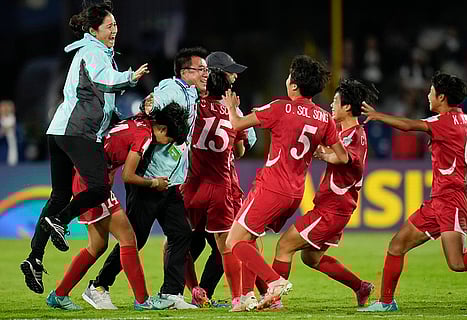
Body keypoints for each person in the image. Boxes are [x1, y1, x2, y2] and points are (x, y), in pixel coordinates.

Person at [20, 0, 149, 295]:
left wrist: (127, 115)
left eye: (116, 25)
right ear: (94, 30)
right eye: (109, 26)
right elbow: (104, 81)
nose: (115, 30)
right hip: (76, 132)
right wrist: (130, 77)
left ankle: (34, 258)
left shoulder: (94, 51)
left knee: (60, 195)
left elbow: (103, 104)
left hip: (60, 130)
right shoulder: (93, 52)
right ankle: (60, 220)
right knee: (99, 188)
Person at [85, 47, 208, 310]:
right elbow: (153, 104)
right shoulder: (172, 88)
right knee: (136, 239)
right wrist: (147, 104)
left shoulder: (191, 93)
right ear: (185, 72)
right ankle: (98, 286)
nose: (206, 74)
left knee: (180, 233)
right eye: (201, 69)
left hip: (170, 181)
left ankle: (171, 294)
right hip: (149, 178)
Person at [223, 55, 349, 311]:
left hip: (271, 186)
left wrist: (230, 106)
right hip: (295, 192)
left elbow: (237, 124)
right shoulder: (325, 118)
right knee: (249, 237)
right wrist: (322, 154)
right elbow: (343, 157)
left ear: (294, 85)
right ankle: (248, 296)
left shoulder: (280, 107)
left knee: (233, 241)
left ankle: (274, 282)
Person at [45, 103, 189, 311]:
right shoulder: (145, 136)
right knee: (128, 238)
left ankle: (59, 294)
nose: (167, 144)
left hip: (87, 178)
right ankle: (142, 300)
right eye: (170, 140)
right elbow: (128, 176)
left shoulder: (139, 119)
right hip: (93, 185)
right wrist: (154, 183)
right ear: (163, 129)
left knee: (97, 245)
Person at [358, 71, 467, 312]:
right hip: (438, 202)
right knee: (396, 246)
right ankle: (386, 302)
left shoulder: (441, 122)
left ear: (442, 97)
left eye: (431, 92)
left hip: (451, 201)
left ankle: (385, 302)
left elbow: (408, 126)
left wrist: (377, 115)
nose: (428, 95)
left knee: (457, 263)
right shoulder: (464, 120)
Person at [269, 79, 378, 309]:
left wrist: (326, 154)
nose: (331, 105)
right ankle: (360, 286)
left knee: (284, 245)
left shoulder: (355, 135)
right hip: (335, 207)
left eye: (335, 101)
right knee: (311, 258)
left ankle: (273, 299)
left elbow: (347, 159)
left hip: (333, 209)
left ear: (347, 107)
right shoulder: (345, 132)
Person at [184, 51, 256, 307]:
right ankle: (240, 296)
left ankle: (195, 291)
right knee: (228, 245)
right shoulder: (232, 110)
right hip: (222, 186)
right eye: (230, 73)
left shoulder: (191, 105)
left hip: (191, 185)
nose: (234, 77)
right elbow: (240, 150)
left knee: (179, 244)